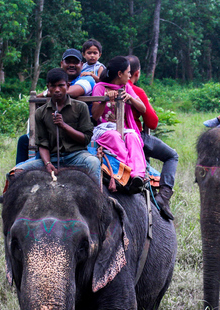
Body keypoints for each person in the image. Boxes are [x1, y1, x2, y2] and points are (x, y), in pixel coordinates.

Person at [12, 68, 100, 182]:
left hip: (76, 156)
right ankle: (7, 198)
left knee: (93, 162)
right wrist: (47, 163)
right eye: (53, 86)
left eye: (61, 85)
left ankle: (98, 199)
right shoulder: (41, 112)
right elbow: (42, 143)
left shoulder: (80, 107)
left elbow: (86, 139)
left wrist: (64, 126)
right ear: (48, 87)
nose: (57, 90)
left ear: (67, 86)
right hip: (52, 157)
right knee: (15, 171)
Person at [126, 55, 179, 220]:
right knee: (172, 155)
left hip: (103, 136)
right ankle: (163, 197)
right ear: (137, 73)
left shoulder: (102, 87)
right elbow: (153, 122)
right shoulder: (135, 91)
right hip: (134, 137)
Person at [91, 56, 149, 185]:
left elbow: (143, 108)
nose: (129, 75)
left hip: (123, 128)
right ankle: (125, 172)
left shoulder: (127, 88)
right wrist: (105, 100)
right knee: (114, 136)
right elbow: (95, 116)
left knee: (133, 136)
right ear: (119, 74)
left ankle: (138, 175)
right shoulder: (100, 88)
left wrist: (131, 99)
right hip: (104, 129)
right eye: (128, 72)